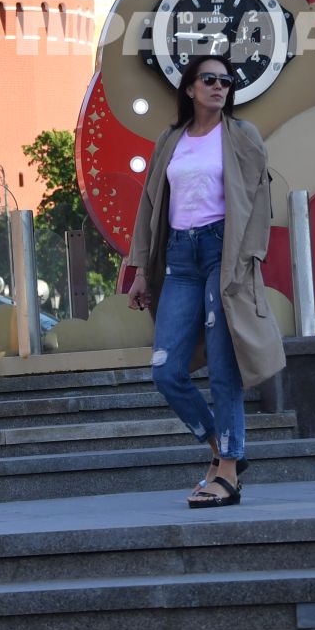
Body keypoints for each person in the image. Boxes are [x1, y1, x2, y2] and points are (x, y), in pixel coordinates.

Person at [122, 55, 285, 508]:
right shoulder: (170, 140)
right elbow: (150, 206)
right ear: (190, 88)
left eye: (226, 82)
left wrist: (246, 260)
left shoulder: (241, 137)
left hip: (222, 253)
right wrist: (139, 271)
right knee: (165, 370)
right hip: (178, 258)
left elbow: (258, 202)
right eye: (209, 80)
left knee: (223, 361)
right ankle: (220, 448)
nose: (219, 87)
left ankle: (228, 473)